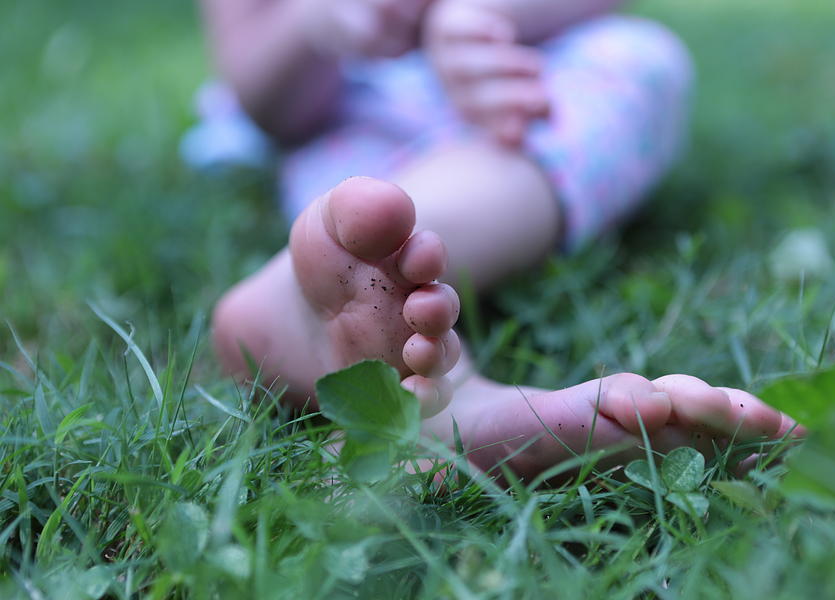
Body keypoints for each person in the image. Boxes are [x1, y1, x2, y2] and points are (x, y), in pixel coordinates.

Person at [200, 0, 803, 481]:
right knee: (361, 200)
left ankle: (376, 335)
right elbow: (257, 83)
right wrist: (315, 22)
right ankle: (395, 343)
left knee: (642, 57)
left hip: (530, 76)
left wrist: (486, 15)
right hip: (354, 116)